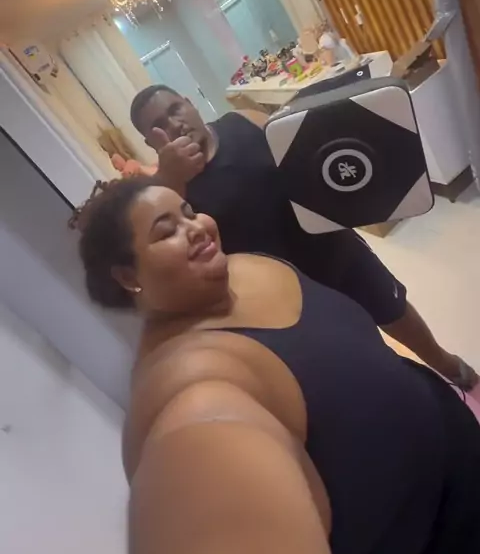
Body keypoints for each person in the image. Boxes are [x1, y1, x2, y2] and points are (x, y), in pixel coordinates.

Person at [78, 178, 480, 554]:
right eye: (166, 231)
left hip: (459, 450)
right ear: (128, 277)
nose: (195, 227)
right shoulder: (189, 388)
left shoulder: (244, 264)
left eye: (188, 212)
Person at [129, 84, 477, 388]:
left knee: (394, 309)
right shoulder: (168, 190)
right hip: (287, 290)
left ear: (190, 103)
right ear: (149, 141)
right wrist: (171, 178)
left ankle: (447, 365)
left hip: (334, 247)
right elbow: (166, 235)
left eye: (175, 109)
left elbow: (309, 157)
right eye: (159, 124)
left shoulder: (244, 121)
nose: (174, 123)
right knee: (356, 352)